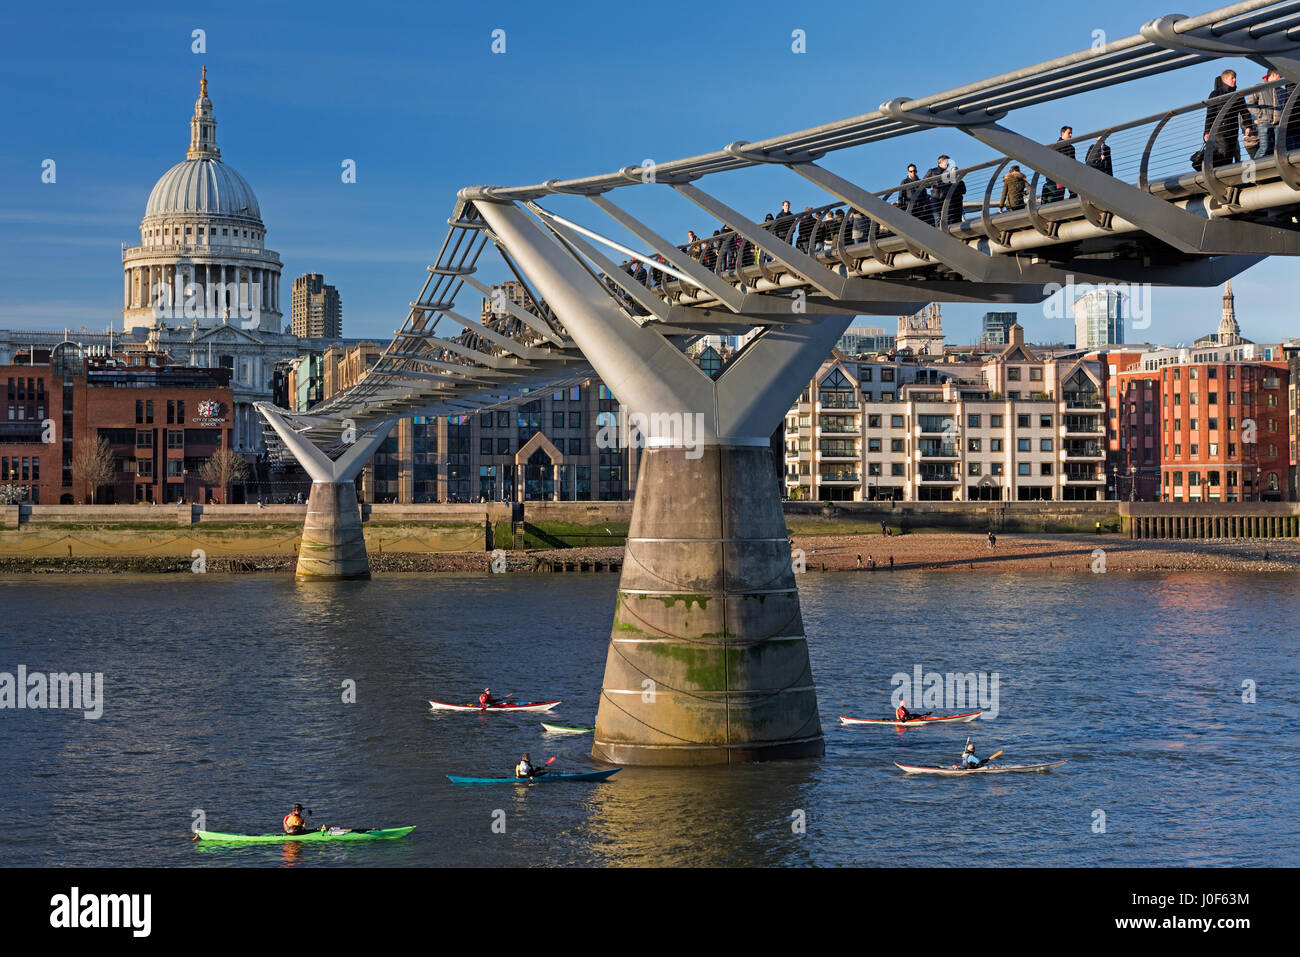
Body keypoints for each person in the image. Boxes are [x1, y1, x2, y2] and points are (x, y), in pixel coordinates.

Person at [1204, 69, 1254, 167]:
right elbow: (1210, 114)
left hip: (1233, 132)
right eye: (1232, 78)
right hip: (1219, 132)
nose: (1234, 80)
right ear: (1225, 80)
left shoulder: (1238, 95)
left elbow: (1244, 112)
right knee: (1223, 155)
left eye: (1235, 78)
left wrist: (1248, 126)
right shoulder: (1215, 94)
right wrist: (1206, 132)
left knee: (1230, 156)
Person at [1245, 71, 1282, 158]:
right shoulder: (1258, 87)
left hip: (1278, 123)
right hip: (1263, 122)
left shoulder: (1280, 90)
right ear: (1273, 74)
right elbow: (1250, 104)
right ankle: (1256, 167)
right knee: (1264, 148)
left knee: (1279, 148)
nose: (1280, 78)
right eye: (1279, 76)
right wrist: (1261, 115)